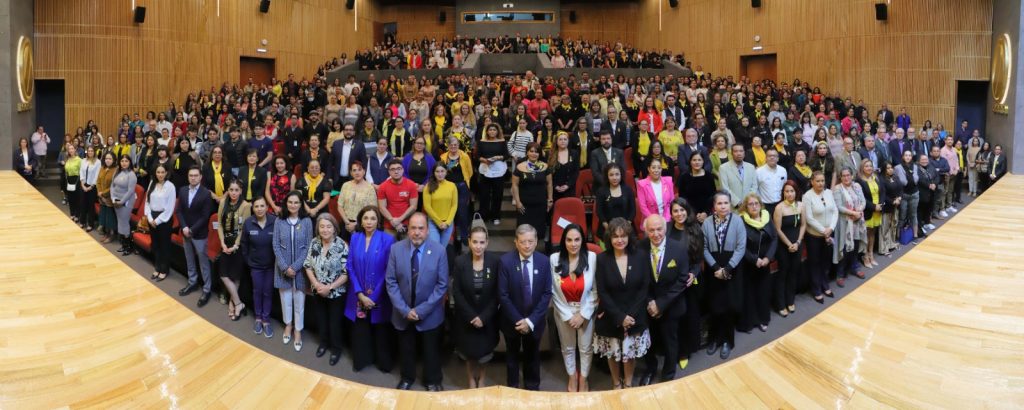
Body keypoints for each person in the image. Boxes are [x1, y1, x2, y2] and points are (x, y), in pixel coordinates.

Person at [385, 213, 449, 391]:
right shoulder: (396, 249)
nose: (417, 232)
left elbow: (442, 285)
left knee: (431, 351)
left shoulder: (439, 251)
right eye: (413, 228)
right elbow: (390, 282)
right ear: (408, 229)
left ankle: (432, 380)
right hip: (403, 312)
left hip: (429, 313)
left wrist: (421, 310)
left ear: (427, 231)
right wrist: (405, 310)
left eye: (421, 228)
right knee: (406, 349)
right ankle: (407, 377)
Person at [593, 217, 650, 389]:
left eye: (623, 236)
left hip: (635, 314)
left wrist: (630, 316)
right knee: (613, 351)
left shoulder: (640, 256)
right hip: (611, 314)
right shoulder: (602, 259)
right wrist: (619, 317)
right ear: (609, 238)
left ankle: (629, 383)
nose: (620, 240)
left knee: (630, 352)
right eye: (616, 236)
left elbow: (644, 287)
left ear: (629, 237)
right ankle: (616, 383)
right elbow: (602, 291)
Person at [498, 223, 554, 391]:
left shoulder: (544, 261)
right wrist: (519, 320)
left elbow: (546, 294)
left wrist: (530, 321)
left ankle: (532, 387)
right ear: (516, 242)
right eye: (523, 241)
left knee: (533, 355)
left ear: (536, 241)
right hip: (511, 321)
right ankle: (513, 388)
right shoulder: (505, 261)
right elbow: (503, 295)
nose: (527, 245)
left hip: (534, 321)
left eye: (530, 241)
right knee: (512, 356)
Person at [637, 214, 690, 385]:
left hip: (671, 306)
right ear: (646, 231)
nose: (656, 234)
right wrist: (650, 303)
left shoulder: (679, 248)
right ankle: (650, 369)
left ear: (665, 229)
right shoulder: (640, 248)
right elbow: (638, 280)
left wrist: (660, 304)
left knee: (670, 342)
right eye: (651, 230)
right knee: (649, 342)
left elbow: (682, 281)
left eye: (659, 229)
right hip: (647, 305)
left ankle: (668, 373)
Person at [451, 224, 501, 388]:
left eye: (481, 242)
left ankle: (482, 377)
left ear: (487, 243)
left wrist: (483, 317)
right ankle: (471, 379)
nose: (478, 246)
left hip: (487, 317)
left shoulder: (494, 262)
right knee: (468, 352)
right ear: (469, 242)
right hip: (467, 318)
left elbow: (497, 293)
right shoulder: (460, 261)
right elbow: (457, 292)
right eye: (475, 242)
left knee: (484, 353)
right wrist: (472, 316)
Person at [549, 224, 598, 392]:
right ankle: (572, 377)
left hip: (585, 311)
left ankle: (583, 379)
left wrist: (583, 315)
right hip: (564, 312)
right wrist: (568, 315)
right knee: (568, 347)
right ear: (564, 241)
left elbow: (595, 291)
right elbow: (554, 292)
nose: (573, 244)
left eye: (577, 239)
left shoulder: (591, 257)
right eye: (569, 240)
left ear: (583, 240)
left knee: (585, 348)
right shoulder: (554, 259)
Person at [702, 192, 746, 360]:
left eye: (726, 203)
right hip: (713, 268)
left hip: (731, 268)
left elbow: (741, 248)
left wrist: (727, 269)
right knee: (714, 305)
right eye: (719, 203)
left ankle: (727, 341)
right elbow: (704, 248)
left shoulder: (737, 221)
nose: (723, 206)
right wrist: (715, 268)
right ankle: (714, 338)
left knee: (728, 307)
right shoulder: (706, 223)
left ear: (730, 204)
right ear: (714, 206)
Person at [303, 213, 349, 359]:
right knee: (321, 319)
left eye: (329, 226)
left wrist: (330, 287)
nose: (325, 230)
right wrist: (316, 284)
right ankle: (323, 343)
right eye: (322, 226)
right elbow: (308, 265)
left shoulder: (342, 245)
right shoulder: (314, 243)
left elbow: (346, 273)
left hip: (336, 292)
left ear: (334, 228)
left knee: (335, 323)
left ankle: (336, 349)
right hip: (317, 290)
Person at [273, 191, 313, 341]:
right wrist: (285, 267)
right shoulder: (279, 220)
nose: (293, 205)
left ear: (301, 204)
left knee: (299, 303)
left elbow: (309, 246)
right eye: (290, 202)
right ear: (286, 203)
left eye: (296, 202)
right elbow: (275, 245)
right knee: (286, 300)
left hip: (300, 270)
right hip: (282, 269)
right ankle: (288, 325)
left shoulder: (307, 221)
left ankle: (298, 330)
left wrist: (295, 267)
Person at [176, 166, 215, 307]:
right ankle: (192, 283)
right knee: (189, 260)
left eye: (195, 175)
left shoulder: (205, 194)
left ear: (200, 177)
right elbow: (179, 211)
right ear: (188, 177)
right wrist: (184, 227)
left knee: (203, 263)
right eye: (190, 175)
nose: (193, 177)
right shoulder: (183, 190)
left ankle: (206, 289)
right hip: (186, 231)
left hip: (199, 234)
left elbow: (205, 217)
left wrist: (191, 229)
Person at [738, 193, 777, 334]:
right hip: (748, 263)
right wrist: (755, 259)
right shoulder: (741, 220)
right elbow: (740, 245)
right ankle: (750, 322)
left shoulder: (767, 217)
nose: (754, 206)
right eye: (750, 204)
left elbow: (774, 239)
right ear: (746, 207)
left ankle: (763, 319)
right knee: (749, 293)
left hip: (765, 263)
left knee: (763, 292)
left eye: (756, 203)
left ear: (760, 205)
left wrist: (768, 258)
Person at [241, 197, 277, 336]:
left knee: (267, 292)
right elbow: (244, 244)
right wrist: (248, 261)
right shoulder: (248, 222)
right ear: (253, 208)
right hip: (255, 266)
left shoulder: (275, 221)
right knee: (257, 291)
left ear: (267, 207)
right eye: (256, 206)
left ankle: (266, 320)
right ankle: (258, 318)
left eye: (262, 206)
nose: (259, 209)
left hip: (270, 266)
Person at [218, 179, 252, 321]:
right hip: (225, 242)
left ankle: (233, 304)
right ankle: (239, 303)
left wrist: (235, 246)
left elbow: (244, 228)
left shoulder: (245, 205)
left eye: (236, 190)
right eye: (231, 190)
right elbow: (219, 224)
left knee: (236, 276)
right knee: (223, 274)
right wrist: (222, 243)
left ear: (241, 191)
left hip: (239, 243)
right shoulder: (223, 202)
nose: (233, 193)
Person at [803, 171, 838, 304]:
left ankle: (825, 284)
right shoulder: (807, 196)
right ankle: (816, 289)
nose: (821, 183)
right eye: (817, 181)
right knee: (815, 263)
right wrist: (824, 231)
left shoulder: (829, 192)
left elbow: (835, 211)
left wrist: (831, 229)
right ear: (812, 182)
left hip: (829, 233)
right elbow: (809, 218)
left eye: (822, 180)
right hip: (814, 236)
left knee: (825, 261)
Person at [772, 181, 805, 317]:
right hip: (783, 246)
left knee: (793, 273)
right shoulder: (779, 208)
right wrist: (789, 244)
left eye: (792, 191)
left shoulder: (801, 205)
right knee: (783, 274)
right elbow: (777, 229)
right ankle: (780, 304)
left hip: (797, 244)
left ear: (796, 192)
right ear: (783, 193)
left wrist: (797, 242)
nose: (789, 194)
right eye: (787, 191)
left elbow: (803, 225)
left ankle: (790, 300)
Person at [511, 143, 553, 243]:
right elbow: (515, 185)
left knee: (538, 229)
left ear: (539, 154)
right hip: (524, 204)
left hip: (540, 203)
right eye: (531, 151)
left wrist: (550, 200)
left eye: (536, 152)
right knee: (523, 229)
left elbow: (549, 184)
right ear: (527, 152)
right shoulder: (520, 166)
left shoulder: (545, 166)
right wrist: (518, 202)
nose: (534, 154)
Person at [144, 164, 176, 282]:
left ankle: (164, 270)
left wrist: (157, 221)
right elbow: (147, 202)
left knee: (164, 246)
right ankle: (157, 267)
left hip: (164, 219)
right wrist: (150, 218)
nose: (160, 175)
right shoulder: (152, 183)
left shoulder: (170, 186)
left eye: (163, 172)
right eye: (158, 172)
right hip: (152, 217)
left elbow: (169, 208)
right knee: (155, 244)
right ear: (155, 173)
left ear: (166, 173)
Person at [440, 137, 474, 247]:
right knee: (449, 212)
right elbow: (441, 171)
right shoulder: (443, 157)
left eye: (455, 145)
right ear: (448, 146)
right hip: (448, 187)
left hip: (462, 186)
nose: (453, 147)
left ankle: (464, 236)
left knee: (462, 212)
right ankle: (451, 236)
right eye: (451, 145)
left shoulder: (464, 156)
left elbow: (470, 171)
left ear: (458, 145)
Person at [377, 159, 419, 236]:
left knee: (407, 248)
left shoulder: (411, 185)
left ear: (403, 170)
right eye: (392, 169)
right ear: (389, 172)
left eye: (399, 169)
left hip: (407, 225)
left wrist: (399, 220)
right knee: (389, 248)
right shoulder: (383, 187)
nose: (396, 172)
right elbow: (382, 207)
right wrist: (392, 220)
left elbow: (413, 207)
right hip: (389, 225)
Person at [477, 124, 508, 225]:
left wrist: (498, 157)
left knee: (497, 194)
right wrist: (484, 160)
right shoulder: (482, 142)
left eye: (494, 130)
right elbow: (478, 156)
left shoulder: (502, 141)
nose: (492, 132)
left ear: (497, 131)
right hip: (485, 169)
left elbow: (506, 155)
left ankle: (496, 216)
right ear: (487, 131)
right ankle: (484, 215)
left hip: (499, 170)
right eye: (490, 130)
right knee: (484, 194)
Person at [595, 163, 636, 239]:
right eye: (611, 175)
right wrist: (610, 230)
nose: (614, 178)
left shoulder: (628, 189)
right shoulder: (601, 191)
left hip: (626, 228)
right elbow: (599, 212)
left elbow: (633, 211)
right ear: (607, 176)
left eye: (617, 174)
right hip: (607, 229)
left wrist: (625, 228)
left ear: (621, 175)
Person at [856, 159, 884, 268]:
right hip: (868, 210)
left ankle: (871, 253)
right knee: (866, 234)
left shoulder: (876, 177)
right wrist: (873, 206)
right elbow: (861, 198)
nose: (869, 168)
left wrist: (880, 204)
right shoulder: (859, 181)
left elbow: (882, 191)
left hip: (878, 209)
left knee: (873, 233)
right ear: (862, 168)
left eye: (870, 166)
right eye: (866, 166)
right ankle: (865, 256)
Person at [423, 163, 458, 246]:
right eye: (437, 171)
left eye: (442, 171)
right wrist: (439, 222)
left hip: (448, 223)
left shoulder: (452, 186)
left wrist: (448, 222)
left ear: (446, 172)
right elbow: (427, 207)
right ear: (434, 173)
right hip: (433, 223)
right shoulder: (428, 187)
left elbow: (454, 205)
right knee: (435, 248)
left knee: (442, 249)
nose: (440, 174)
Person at [110, 154, 138, 256]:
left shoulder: (131, 175)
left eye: (126, 161)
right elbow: (112, 186)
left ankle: (129, 246)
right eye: (122, 161)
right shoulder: (117, 171)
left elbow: (130, 191)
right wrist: (113, 198)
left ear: (129, 162)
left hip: (126, 202)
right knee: (120, 222)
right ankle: (123, 244)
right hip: (116, 200)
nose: (124, 163)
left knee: (124, 223)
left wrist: (121, 201)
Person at [678, 151, 715, 222]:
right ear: (690, 162)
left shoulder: (709, 176)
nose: (697, 162)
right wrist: (693, 213)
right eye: (694, 160)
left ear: (703, 161)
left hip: (707, 214)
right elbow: (682, 198)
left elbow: (712, 196)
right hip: (689, 214)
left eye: (699, 160)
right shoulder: (684, 177)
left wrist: (705, 213)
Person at [718, 144, 758, 209]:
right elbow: (724, 188)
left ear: (744, 153)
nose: (739, 153)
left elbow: (754, 186)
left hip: (749, 205)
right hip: (733, 206)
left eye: (741, 151)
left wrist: (748, 200)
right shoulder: (723, 168)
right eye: (736, 151)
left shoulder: (751, 167)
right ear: (731, 153)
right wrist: (737, 202)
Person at [330, 123, 367, 190]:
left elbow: (364, 163)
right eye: (346, 130)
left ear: (354, 132)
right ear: (343, 132)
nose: (348, 132)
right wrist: (329, 177)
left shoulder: (360, 145)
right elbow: (330, 162)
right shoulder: (336, 143)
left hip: (353, 180)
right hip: (337, 180)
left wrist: (362, 178)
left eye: (350, 130)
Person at [878, 162, 902, 256]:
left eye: (891, 167)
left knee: (893, 225)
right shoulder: (882, 180)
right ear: (884, 169)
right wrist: (892, 201)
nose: (890, 169)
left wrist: (900, 197)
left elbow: (901, 189)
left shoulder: (895, 177)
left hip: (896, 205)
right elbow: (883, 194)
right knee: (885, 228)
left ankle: (891, 244)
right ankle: (883, 248)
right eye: (888, 168)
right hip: (887, 206)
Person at [756, 148, 788, 215]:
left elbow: (785, 186)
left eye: (774, 156)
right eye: (769, 156)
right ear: (766, 158)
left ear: (778, 158)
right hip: (765, 206)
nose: (772, 157)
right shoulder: (758, 172)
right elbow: (756, 189)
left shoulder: (783, 170)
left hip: (781, 204)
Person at [95, 152, 118, 243]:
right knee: (104, 217)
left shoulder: (116, 170)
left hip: (109, 198)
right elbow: (98, 182)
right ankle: (106, 233)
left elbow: (113, 185)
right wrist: (99, 193)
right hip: (101, 198)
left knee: (110, 218)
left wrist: (103, 194)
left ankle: (111, 235)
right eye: (106, 158)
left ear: (114, 160)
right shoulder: (102, 168)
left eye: (110, 159)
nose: (108, 160)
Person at [78, 146, 101, 231]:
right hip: (83, 185)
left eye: (92, 151)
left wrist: (91, 187)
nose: (90, 152)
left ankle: (90, 224)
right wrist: (83, 185)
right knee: (83, 204)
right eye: (89, 151)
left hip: (92, 186)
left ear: (94, 152)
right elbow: (81, 172)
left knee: (91, 205)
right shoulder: (84, 160)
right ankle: (82, 221)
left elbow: (97, 175)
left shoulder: (98, 162)